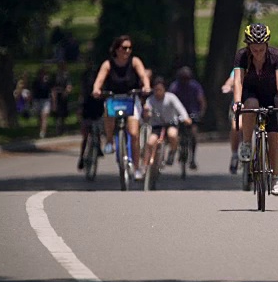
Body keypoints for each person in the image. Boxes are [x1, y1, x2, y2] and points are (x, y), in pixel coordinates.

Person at [233, 23, 278, 196]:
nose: (258, 53)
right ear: (248, 46)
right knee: (250, 105)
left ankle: (276, 177)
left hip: (270, 94)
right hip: (250, 92)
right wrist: (237, 101)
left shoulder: (276, 57)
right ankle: (246, 143)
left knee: (275, 138)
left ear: (266, 45)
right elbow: (238, 81)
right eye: (254, 49)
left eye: (261, 49)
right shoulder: (242, 56)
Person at [92, 35, 151, 180]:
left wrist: (146, 86)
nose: (127, 51)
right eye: (124, 48)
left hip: (131, 97)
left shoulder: (135, 61)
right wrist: (96, 89)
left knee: (134, 133)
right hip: (114, 97)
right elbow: (99, 79)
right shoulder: (108, 64)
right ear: (117, 49)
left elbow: (143, 76)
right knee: (108, 112)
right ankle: (110, 140)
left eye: (130, 48)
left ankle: (137, 168)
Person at [142, 76, 192, 174]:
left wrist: (185, 118)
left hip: (170, 123)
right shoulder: (150, 100)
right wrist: (146, 113)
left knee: (172, 134)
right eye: (156, 90)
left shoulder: (171, 98)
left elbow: (180, 109)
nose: (158, 92)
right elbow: (146, 115)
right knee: (150, 142)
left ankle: (172, 151)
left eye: (160, 90)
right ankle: (145, 166)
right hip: (157, 125)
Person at [168, 66, 207, 170]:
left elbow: (201, 100)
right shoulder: (175, 86)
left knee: (193, 134)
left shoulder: (195, 86)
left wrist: (200, 113)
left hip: (192, 113)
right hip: (178, 114)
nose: (185, 81)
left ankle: (192, 158)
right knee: (175, 133)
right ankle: (175, 150)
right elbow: (170, 101)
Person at [77, 57, 105, 171]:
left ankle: (97, 147)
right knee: (86, 134)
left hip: (96, 105)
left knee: (97, 128)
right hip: (88, 105)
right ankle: (82, 157)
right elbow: (82, 92)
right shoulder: (85, 77)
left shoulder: (101, 78)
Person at [221, 69, 241, 174]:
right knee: (236, 127)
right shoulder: (239, 68)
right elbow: (232, 79)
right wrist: (228, 85)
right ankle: (234, 155)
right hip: (239, 105)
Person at [31, 66, 53, 138]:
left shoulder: (48, 83)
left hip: (45, 100)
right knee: (39, 117)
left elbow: (52, 92)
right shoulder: (35, 82)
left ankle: (43, 132)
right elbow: (33, 92)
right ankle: (40, 129)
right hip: (37, 100)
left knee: (44, 116)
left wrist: (53, 101)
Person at [52, 61, 72, 136]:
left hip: (64, 96)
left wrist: (66, 92)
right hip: (57, 95)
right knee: (57, 113)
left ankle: (62, 127)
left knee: (64, 113)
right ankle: (58, 128)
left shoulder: (66, 75)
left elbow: (69, 85)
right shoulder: (55, 76)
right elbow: (53, 87)